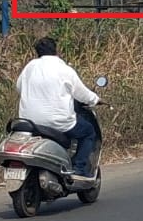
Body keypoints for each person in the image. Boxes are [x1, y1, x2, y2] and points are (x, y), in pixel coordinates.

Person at [15, 36, 100, 180]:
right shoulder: (64, 69)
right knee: (88, 132)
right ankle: (79, 169)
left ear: (38, 52)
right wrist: (97, 100)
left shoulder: (29, 67)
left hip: (29, 122)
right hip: (59, 122)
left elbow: (18, 87)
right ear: (56, 51)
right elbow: (82, 94)